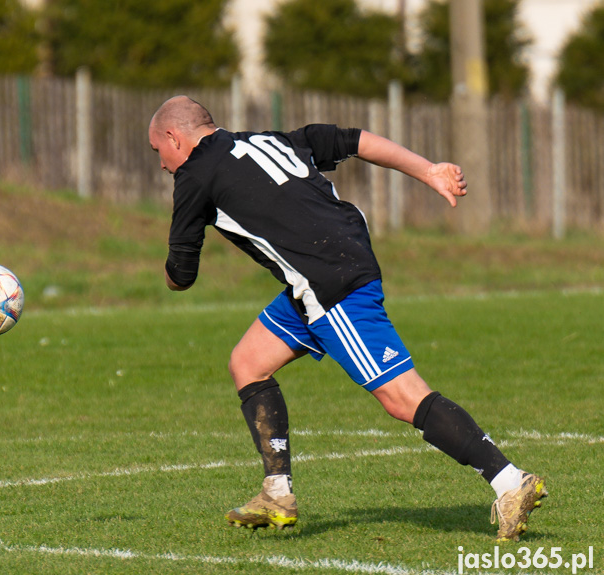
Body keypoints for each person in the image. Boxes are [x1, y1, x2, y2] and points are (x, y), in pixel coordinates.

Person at [148, 95, 547, 542]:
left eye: (157, 152)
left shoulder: (193, 175)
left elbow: (181, 276)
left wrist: (163, 272)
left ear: (173, 137)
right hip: (331, 265)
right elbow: (353, 140)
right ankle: (277, 492)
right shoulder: (267, 140)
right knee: (248, 362)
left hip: (329, 283)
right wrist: (429, 170)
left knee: (402, 397)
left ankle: (510, 481)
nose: (162, 165)